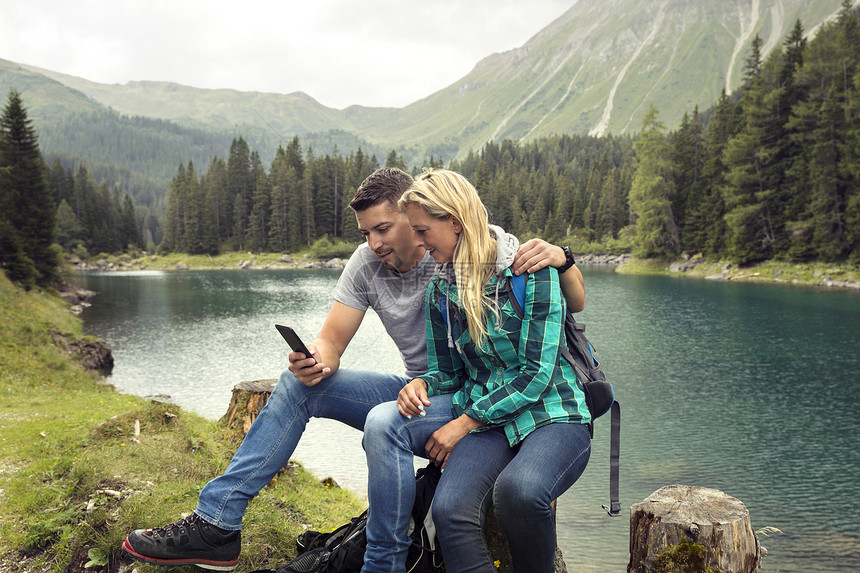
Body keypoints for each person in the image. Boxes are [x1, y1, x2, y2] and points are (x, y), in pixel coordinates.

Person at [122, 167, 586, 571]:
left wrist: (564, 258)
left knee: (391, 427)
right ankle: (216, 524)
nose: (374, 242)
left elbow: (570, 305)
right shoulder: (379, 266)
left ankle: (383, 560)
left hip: (470, 397)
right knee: (298, 386)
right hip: (429, 387)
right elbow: (333, 337)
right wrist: (317, 359)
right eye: (365, 232)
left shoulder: (462, 254)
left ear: (414, 215)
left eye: (384, 228)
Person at [361, 169, 591, 573]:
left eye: (422, 230)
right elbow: (448, 374)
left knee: (519, 492)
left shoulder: (531, 272)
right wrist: (420, 383)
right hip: (491, 421)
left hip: (554, 413)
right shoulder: (440, 290)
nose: (415, 241)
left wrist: (464, 422)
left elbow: (537, 374)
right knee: (450, 511)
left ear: (455, 222)